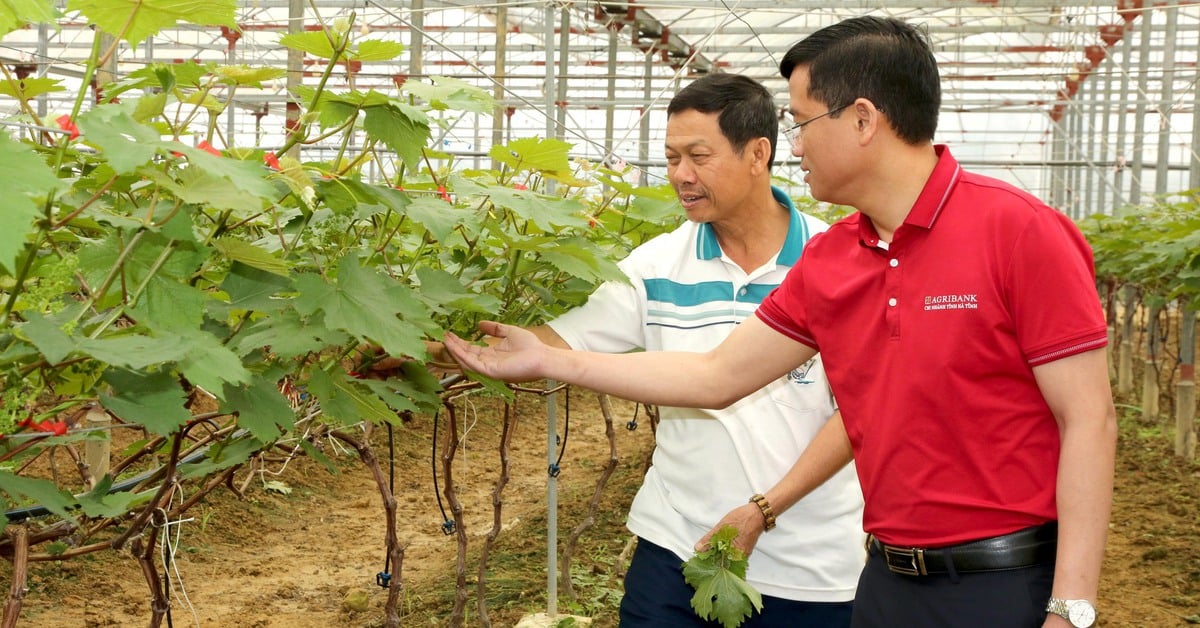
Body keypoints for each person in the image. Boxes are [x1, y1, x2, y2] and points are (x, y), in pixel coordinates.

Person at [444, 16, 1117, 628]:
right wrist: (547, 358)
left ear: (862, 120)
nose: (792, 146)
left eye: (800, 122)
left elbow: (1088, 419)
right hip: (884, 582)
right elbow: (717, 375)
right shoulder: (833, 259)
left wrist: (1071, 605)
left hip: (1003, 586)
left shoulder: (1020, 233)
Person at [419, 72, 866, 625]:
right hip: (675, 544)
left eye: (699, 156)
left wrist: (763, 510)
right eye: (671, 157)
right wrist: (415, 349)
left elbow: (858, 414)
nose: (681, 175)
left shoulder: (835, 263)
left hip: (809, 561)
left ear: (758, 154)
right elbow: (553, 345)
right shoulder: (656, 265)